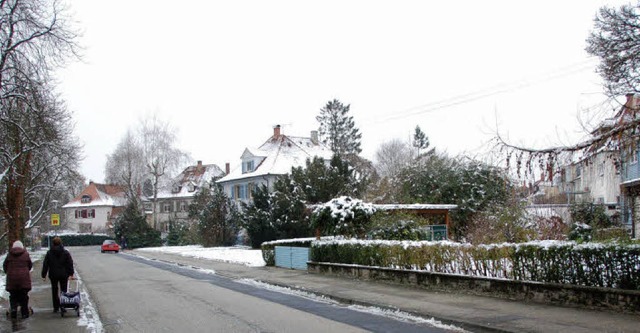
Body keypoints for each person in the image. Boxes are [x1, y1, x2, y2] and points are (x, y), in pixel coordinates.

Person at [41, 236, 74, 313]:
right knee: (64, 290)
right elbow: (70, 263)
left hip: (53, 274)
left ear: (53, 243)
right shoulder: (65, 253)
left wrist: (43, 275)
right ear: (61, 243)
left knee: (54, 290)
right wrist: (71, 273)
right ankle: (63, 306)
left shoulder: (49, 253)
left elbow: (45, 264)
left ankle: (56, 307)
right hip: (63, 274)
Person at [3, 240, 33, 319]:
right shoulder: (26, 255)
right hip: (23, 280)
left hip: (12, 279)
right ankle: (24, 312)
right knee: (24, 296)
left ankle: (13, 309)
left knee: (13, 296)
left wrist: (9, 273)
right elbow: (30, 265)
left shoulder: (9, 255)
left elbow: (5, 266)